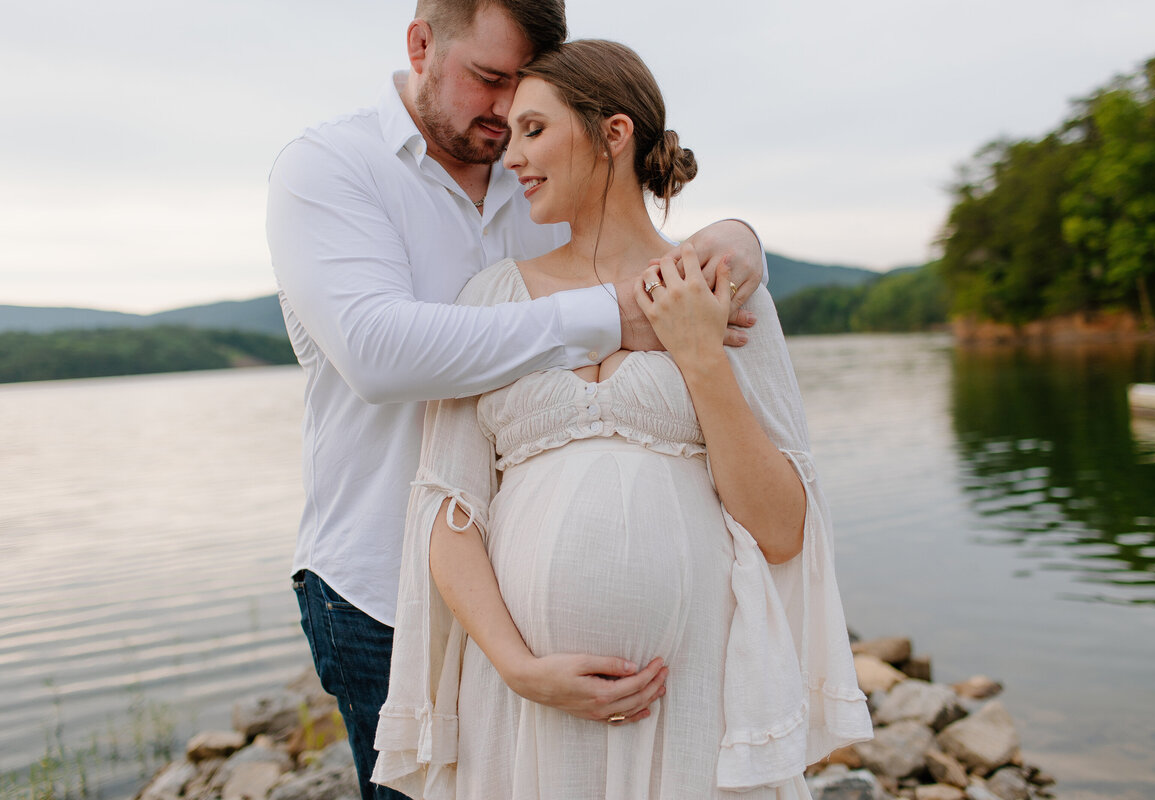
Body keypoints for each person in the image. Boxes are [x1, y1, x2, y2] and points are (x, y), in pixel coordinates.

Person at [264, 2, 767, 798]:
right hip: (381, 583)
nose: (504, 115)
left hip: (549, 611)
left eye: (524, 91)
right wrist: (611, 319)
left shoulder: (533, 163)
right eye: (488, 78)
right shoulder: (331, 167)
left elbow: (623, 222)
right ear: (421, 45)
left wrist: (738, 236)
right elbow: (378, 353)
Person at [372, 39, 872, 800]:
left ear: (613, 133)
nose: (513, 158)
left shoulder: (723, 290)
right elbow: (449, 510)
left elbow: (781, 530)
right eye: (509, 136)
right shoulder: (491, 302)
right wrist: (519, 667)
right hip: (521, 705)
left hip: (692, 695)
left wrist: (701, 355)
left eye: (535, 131)